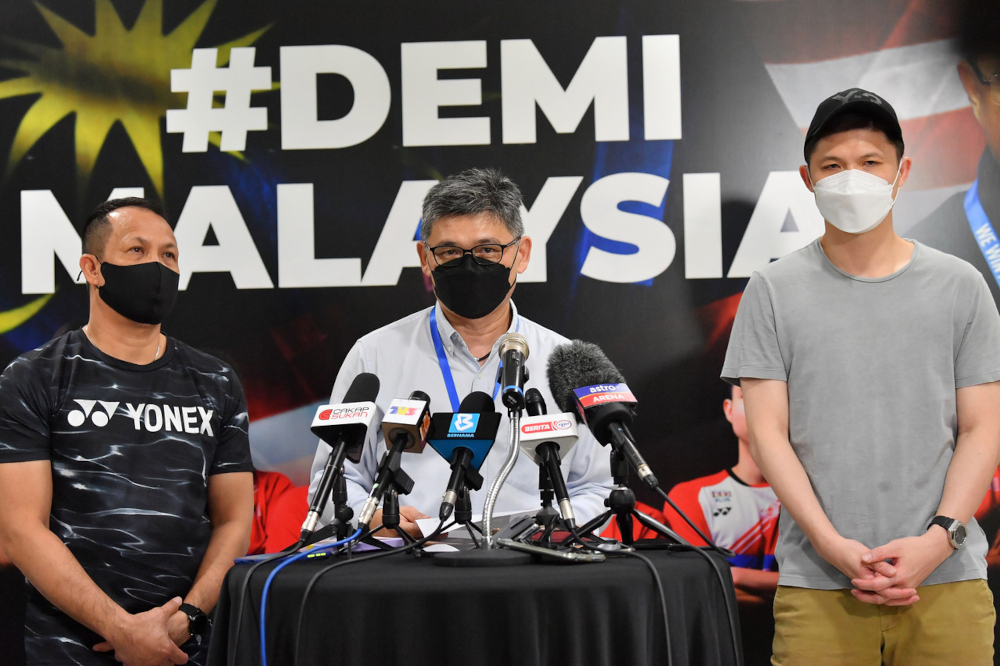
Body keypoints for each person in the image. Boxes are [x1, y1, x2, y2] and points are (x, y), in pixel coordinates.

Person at [722, 89, 1000, 664]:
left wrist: (937, 539)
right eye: (833, 165)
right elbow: (768, 433)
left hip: (946, 579)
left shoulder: (961, 285)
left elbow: (983, 429)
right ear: (807, 177)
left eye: (871, 162)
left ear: (902, 173)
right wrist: (830, 545)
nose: (853, 178)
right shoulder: (772, 290)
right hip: (818, 584)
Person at [0, 198, 254, 666]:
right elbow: (19, 529)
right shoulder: (34, 377)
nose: (158, 266)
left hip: (188, 645)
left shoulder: (216, 381)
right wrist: (122, 629)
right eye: (137, 251)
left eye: (169, 254)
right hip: (68, 647)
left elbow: (235, 520)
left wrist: (187, 618)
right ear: (93, 269)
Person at [308, 168, 612, 535]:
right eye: (450, 252)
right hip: (408, 567)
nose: (469, 266)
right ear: (425, 257)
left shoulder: (565, 362)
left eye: (487, 250)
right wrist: (370, 519)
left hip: (534, 571)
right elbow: (332, 480)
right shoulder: (373, 356)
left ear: (522, 254)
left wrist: (553, 528)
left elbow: (597, 487)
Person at [661, 385, 779, 605]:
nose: (759, 406)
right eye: (747, 396)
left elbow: (825, 583)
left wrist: (737, 576)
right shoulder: (690, 497)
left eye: (772, 396)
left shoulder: (817, 497)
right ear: (729, 409)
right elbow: (699, 588)